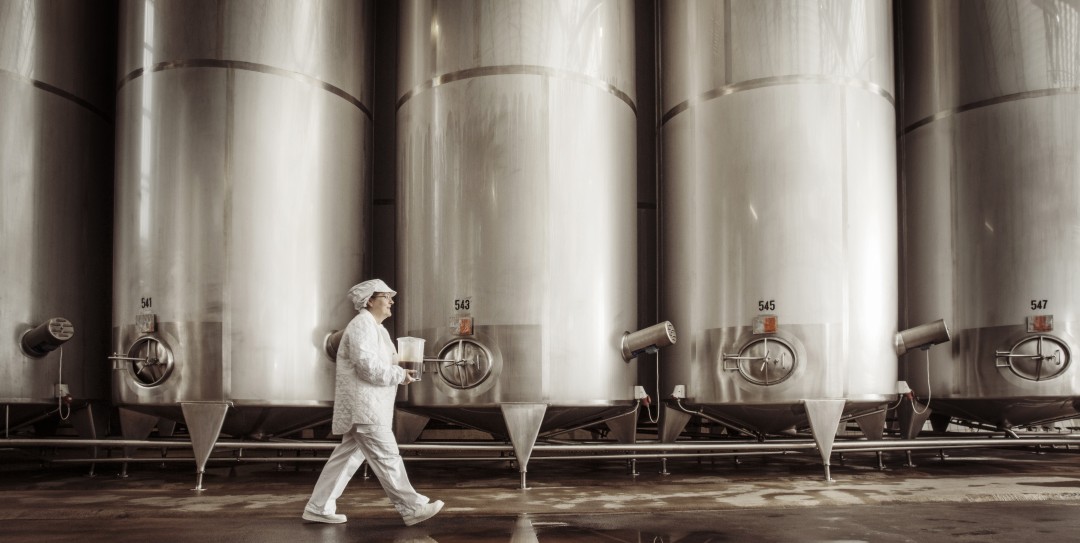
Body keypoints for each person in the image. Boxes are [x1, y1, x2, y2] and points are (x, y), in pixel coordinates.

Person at [302, 279, 444, 526]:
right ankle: (412, 508)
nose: (391, 301)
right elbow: (367, 367)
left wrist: (404, 369)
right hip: (365, 408)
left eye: (391, 297)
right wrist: (399, 374)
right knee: (388, 457)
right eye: (386, 296)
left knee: (345, 459)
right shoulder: (361, 326)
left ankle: (319, 507)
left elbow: (380, 364)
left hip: (370, 406)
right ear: (369, 300)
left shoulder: (377, 328)